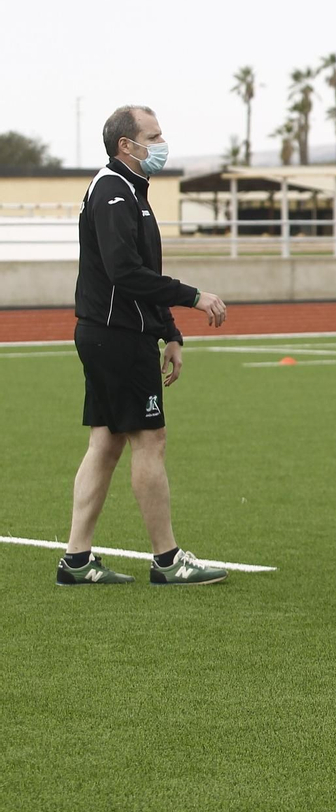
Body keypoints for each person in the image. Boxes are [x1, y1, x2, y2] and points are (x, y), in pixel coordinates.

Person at [59, 105, 229, 587]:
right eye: (152, 137)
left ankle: (76, 560)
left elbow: (142, 277)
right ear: (125, 146)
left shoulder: (133, 191)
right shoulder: (113, 190)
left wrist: (169, 331)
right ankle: (168, 559)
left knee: (106, 440)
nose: (160, 144)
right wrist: (194, 297)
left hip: (115, 332)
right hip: (115, 336)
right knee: (149, 439)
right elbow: (125, 275)